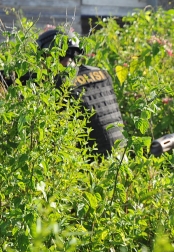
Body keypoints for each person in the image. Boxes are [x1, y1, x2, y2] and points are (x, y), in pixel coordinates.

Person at [36, 27, 126, 156]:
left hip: (92, 161)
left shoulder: (61, 83)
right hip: (121, 153)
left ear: (51, 53)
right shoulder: (102, 73)